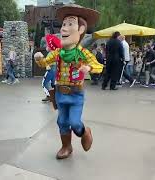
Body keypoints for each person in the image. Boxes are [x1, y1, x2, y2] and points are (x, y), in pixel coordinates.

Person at [34, 4, 103, 159]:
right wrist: (39, 59)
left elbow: (98, 66)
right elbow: (45, 63)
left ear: (80, 30)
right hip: (60, 93)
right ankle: (66, 146)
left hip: (75, 94)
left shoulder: (82, 53)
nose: (64, 29)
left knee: (75, 122)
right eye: (64, 24)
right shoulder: (58, 52)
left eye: (70, 24)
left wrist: (88, 68)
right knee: (62, 121)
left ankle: (85, 131)